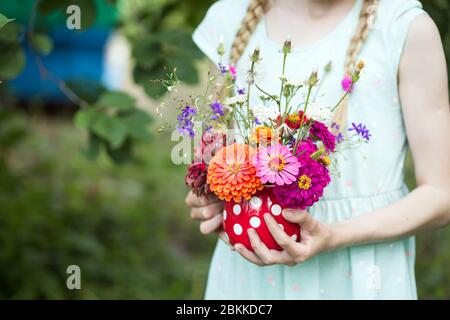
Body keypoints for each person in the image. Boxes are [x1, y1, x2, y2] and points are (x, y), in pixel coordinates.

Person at [185, 0, 450, 299]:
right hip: (249, 278)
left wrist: (335, 235)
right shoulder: (230, 17)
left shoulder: (402, 27)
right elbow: (219, 149)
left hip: (362, 278)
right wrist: (214, 195)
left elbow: (441, 195)